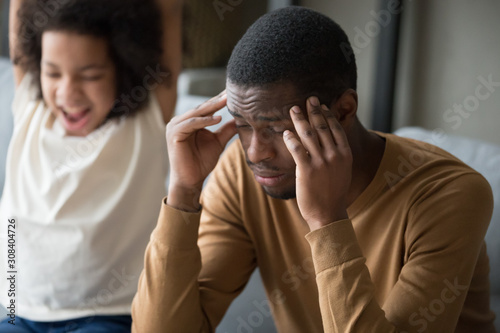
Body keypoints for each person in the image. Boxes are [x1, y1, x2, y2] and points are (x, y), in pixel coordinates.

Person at [131, 6, 495, 333]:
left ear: (343, 111)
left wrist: (327, 221)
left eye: (275, 128)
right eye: (242, 125)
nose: (255, 153)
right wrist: (183, 193)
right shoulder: (243, 176)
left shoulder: (451, 194)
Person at [0, 0, 181, 331]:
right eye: (53, 73)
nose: (67, 92)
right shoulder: (30, 106)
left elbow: (168, 11)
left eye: (90, 75)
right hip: (20, 310)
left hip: (110, 313)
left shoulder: (145, 120)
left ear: (123, 68)